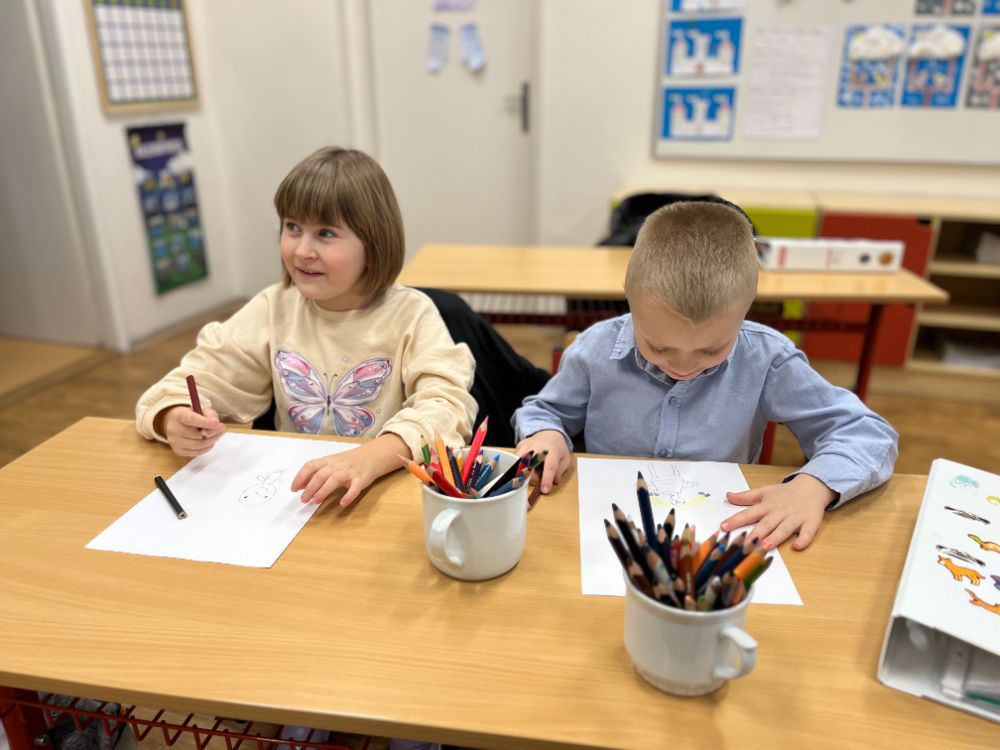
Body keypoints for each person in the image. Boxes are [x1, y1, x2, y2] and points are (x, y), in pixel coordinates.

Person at [513, 201, 898, 552]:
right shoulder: (594, 348)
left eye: (712, 350)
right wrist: (546, 434)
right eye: (658, 347)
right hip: (604, 528)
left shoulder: (767, 359)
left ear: (749, 304)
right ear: (628, 294)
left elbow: (867, 434)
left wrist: (814, 486)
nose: (683, 366)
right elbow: (547, 411)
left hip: (715, 536)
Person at [136, 145, 476, 511]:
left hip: (379, 496)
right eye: (293, 227)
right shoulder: (274, 308)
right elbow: (189, 382)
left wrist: (370, 458)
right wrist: (173, 417)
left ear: (374, 244)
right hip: (295, 498)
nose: (302, 250)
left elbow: (446, 408)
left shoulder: (412, 315)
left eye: (325, 233)